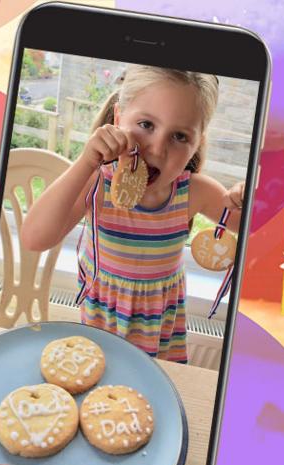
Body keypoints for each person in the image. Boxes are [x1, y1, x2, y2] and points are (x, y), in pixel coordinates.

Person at [21, 66, 243, 363]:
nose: (157, 148)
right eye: (146, 124)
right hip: (103, 327)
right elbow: (35, 238)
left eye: (179, 136)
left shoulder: (194, 192)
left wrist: (253, 199)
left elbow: (254, 227)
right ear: (117, 119)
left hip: (161, 337)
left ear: (197, 144)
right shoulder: (97, 181)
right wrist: (86, 162)